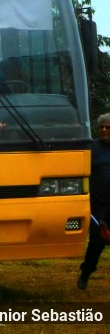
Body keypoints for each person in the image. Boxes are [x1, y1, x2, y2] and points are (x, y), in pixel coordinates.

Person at [78, 113, 110, 289]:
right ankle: (85, 273)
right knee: (97, 241)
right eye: (101, 127)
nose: (104, 130)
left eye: (108, 128)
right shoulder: (92, 148)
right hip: (96, 203)